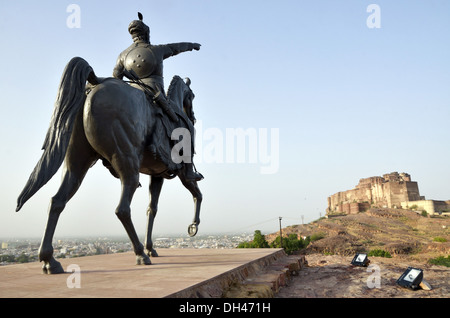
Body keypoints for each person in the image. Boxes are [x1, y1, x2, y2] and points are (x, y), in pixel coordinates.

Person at [113, 13, 203, 182]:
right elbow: (176, 48)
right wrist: (191, 45)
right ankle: (189, 169)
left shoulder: (123, 55)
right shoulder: (155, 50)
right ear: (146, 34)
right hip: (156, 95)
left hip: (131, 96)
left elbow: (116, 77)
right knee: (186, 127)